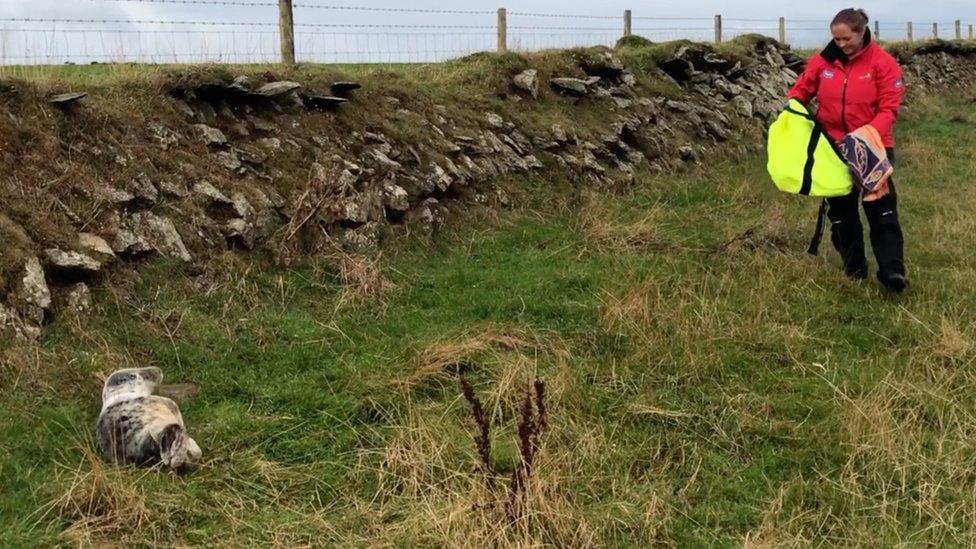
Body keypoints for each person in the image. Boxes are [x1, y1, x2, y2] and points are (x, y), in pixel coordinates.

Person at [788, 8, 908, 292]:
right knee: (841, 213)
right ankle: (854, 268)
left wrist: (865, 137)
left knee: (880, 211)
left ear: (862, 32)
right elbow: (801, 91)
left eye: (846, 39)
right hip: (833, 148)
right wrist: (792, 110)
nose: (841, 45)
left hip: (872, 147)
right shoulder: (822, 61)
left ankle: (892, 273)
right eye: (836, 39)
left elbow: (889, 107)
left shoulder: (883, 63)